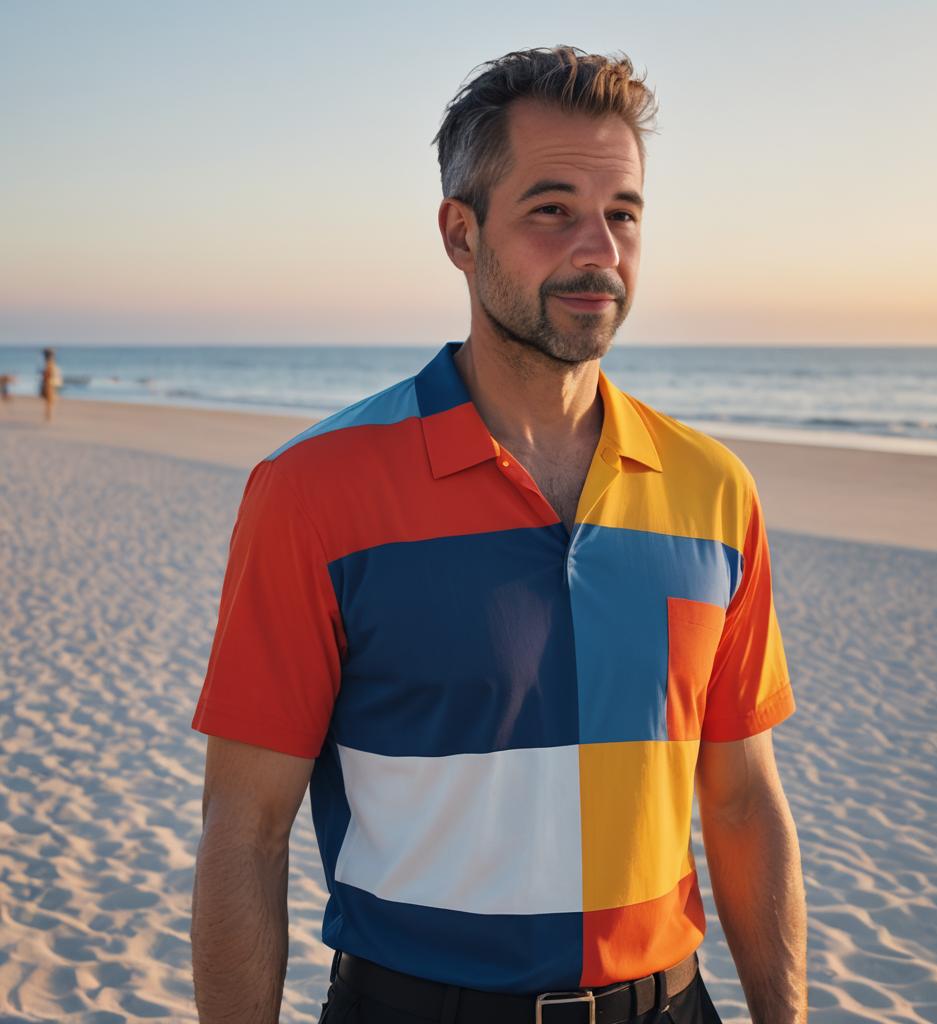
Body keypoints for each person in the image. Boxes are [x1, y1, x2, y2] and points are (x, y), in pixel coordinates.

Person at [191, 45, 807, 1024]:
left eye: (623, 213)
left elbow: (739, 803)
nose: (597, 248)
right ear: (460, 233)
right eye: (551, 210)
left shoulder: (714, 491)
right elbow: (245, 830)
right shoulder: (312, 491)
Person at [40, 348, 62, 422]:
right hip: (50, 384)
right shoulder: (50, 363)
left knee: (50, 402)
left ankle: (49, 416)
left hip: (50, 384)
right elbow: (48, 374)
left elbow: (47, 374)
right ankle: (49, 416)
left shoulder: (49, 363)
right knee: (50, 402)